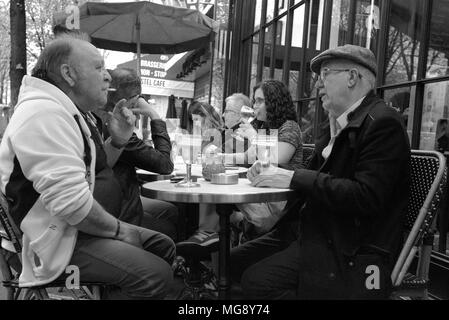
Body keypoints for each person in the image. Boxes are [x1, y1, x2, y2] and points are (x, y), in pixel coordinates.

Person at [0, 38, 175, 299]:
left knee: (163, 246)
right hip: (54, 244)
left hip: (76, 229)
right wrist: (120, 229)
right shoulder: (44, 114)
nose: (107, 77)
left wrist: (116, 141)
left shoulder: (65, 110)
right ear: (69, 74)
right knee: (156, 275)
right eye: (99, 68)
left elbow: (92, 173)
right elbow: (71, 205)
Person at [233, 44, 411, 300]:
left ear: (352, 77)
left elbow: (366, 197)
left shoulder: (382, 123)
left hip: (347, 249)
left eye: (325, 74)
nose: (317, 84)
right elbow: (314, 175)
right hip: (310, 232)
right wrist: (272, 173)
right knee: (230, 262)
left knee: (257, 282)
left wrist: (291, 177)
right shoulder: (340, 124)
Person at [178, 80, 303, 248]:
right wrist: (218, 156)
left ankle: (210, 235)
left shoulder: (290, 127)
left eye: (260, 101)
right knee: (212, 182)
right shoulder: (266, 128)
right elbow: (246, 157)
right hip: (261, 192)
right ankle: (210, 236)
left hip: (277, 204)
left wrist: (252, 136)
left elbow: (276, 157)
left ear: (274, 102)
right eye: (254, 100)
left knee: (218, 188)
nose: (254, 105)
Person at [95, 67, 179, 241]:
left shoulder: (97, 116)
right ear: (131, 100)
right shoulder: (114, 125)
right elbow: (165, 165)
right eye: (137, 98)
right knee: (169, 228)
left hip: (114, 201)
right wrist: (155, 116)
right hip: (120, 211)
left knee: (169, 210)